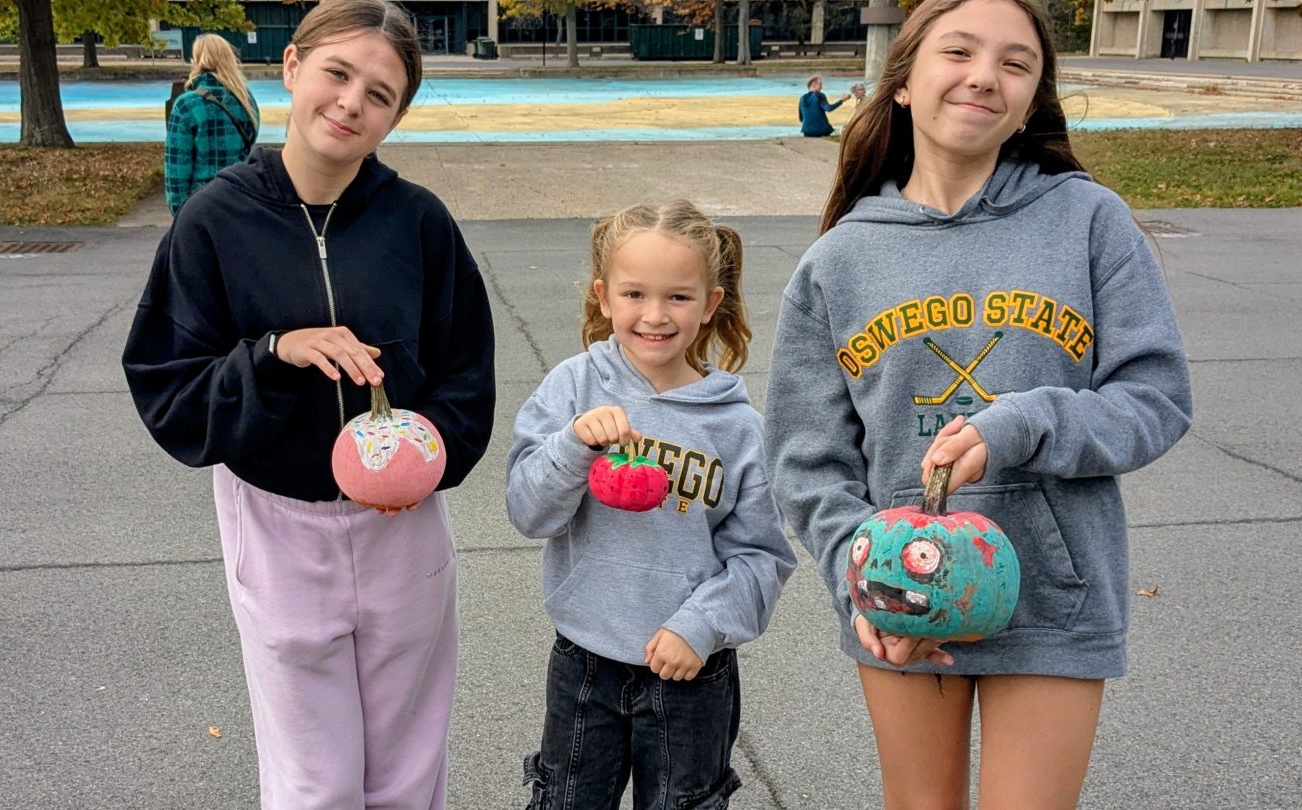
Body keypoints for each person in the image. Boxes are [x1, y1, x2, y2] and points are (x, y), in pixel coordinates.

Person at [764, 0, 1193, 807]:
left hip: (1057, 595)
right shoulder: (840, 258)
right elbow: (806, 458)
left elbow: (1156, 397)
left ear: (1033, 98)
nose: (984, 77)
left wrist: (1023, 425)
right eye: (958, 51)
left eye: (1015, 63)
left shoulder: (1089, 221)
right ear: (902, 81)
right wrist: (867, 580)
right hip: (907, 594)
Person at [122, 1, 496, 807]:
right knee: (313, 782)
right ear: (291, 67)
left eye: (381, 93)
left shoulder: (419, 222)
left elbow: (466, 377)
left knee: (406, 773)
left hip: (403, 528)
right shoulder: (213, 221)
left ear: (397, 115)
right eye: (338, 73)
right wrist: (273, 354)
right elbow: (170, 390)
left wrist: (426, 457)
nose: (352, 102)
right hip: (278, 523)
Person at [506, 200, 797, 808]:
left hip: (692, 670)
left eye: (679, 297)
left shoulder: (739, 427)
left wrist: (701, 627)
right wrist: (572, 446)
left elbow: (761, 557)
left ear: (712, 304)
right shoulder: (572, 388)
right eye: (634, 294)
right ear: (603, 296)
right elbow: (529, 513)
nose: (655, 316)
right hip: (584, 656)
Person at [164, 33, 261, 215]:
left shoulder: (186, 105)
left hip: (200, 206)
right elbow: (248, 144)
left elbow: (176, 168)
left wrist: (179, 214)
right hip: (240, 199)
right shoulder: (246, 101)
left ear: (198, 61)